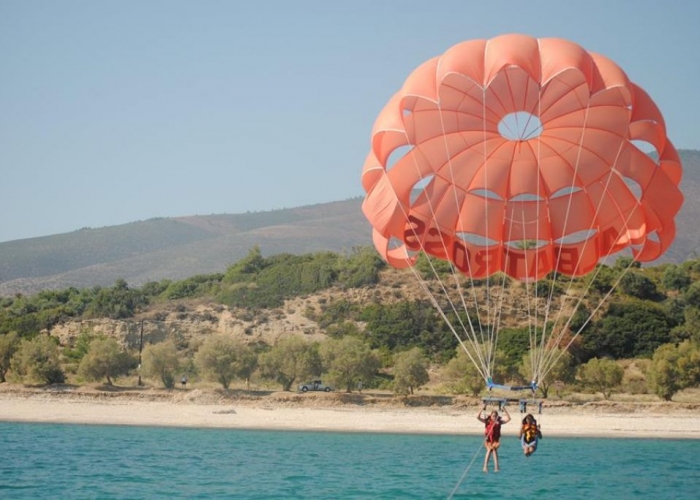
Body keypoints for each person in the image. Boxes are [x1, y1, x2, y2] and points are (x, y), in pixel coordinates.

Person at [477, 405, 511, 473]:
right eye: (493, 416)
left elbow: (509, 419)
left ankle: (496, 467)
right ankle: (485, 467)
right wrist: (482, 408)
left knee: (494, 450)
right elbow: (478, 417)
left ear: (497, 416)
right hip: (488, 440)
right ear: (491, 416)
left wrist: (504, 409)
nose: (494, 417)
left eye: (495, 416)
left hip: (495, 441)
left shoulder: (499, 422)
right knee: (489, 450)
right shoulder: (487, 421)